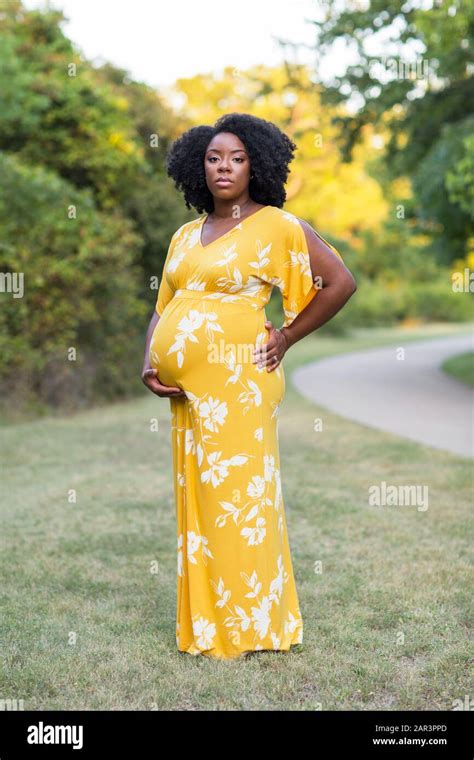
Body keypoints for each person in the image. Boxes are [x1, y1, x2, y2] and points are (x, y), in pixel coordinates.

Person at [141, 113, 357, 659]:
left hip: (239, 384)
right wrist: (151, 361)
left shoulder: (277, 226)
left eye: (236, 157)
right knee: (201, 502)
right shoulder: (185, 235)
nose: (224, 167)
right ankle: (210, 623)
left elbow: (339, 282)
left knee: (242, 501)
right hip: (189, 394)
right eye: (214, 157)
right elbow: (165, 307)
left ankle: (254, 626)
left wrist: (285, 337)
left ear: (255, 164)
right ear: (198, 165)